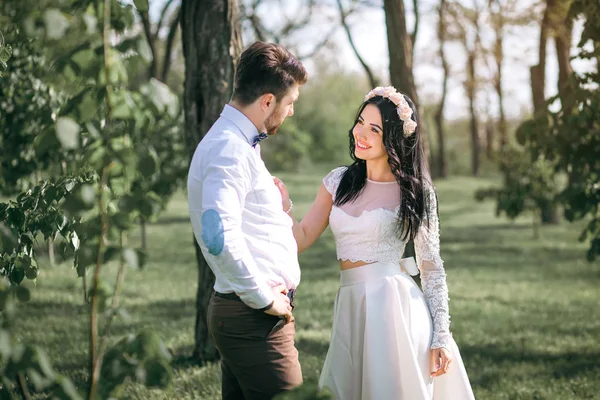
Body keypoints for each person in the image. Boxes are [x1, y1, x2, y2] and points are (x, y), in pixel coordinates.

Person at [274, 86, 475, 399]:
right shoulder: (338, 182)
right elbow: (300, 238)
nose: (361, 133)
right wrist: (284, 205)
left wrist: (442, 337)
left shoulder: (416, 193)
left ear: (394, 138)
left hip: (396, 308)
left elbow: (431, 270)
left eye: (374, 128)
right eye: (360, 122)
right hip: (350, 303)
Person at [187, 41, 308, 400]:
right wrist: (263, 298)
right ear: (267, 101)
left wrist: (278, 206)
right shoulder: (230, 149)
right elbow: (217, 235)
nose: (290, 114)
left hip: (247, 314)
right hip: (253, 318)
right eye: (289, 105)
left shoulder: (240, 144)